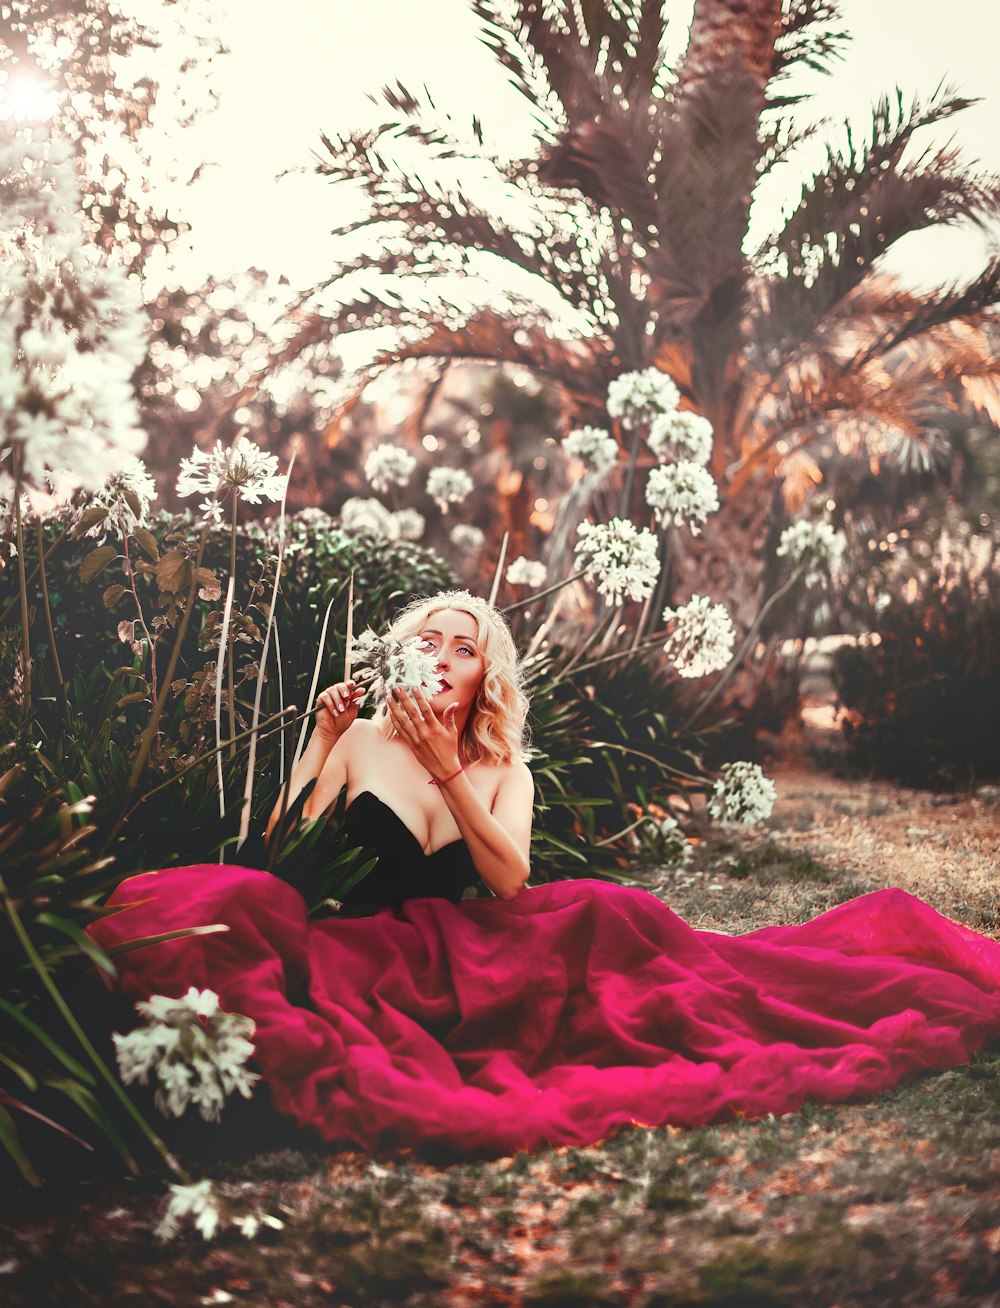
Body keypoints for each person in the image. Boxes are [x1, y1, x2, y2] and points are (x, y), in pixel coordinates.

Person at [90, 589, 1000, 1159]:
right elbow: (274, 854)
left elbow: (509, 884)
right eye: (429, 642)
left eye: (463, 646)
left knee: (620, 924)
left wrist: (450, 766)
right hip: (361, 952)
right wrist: (320, 742)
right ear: (404, 658)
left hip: (473, 944)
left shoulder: (503, 767)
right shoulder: (361, 739)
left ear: (486, 673)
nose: (442, 657)